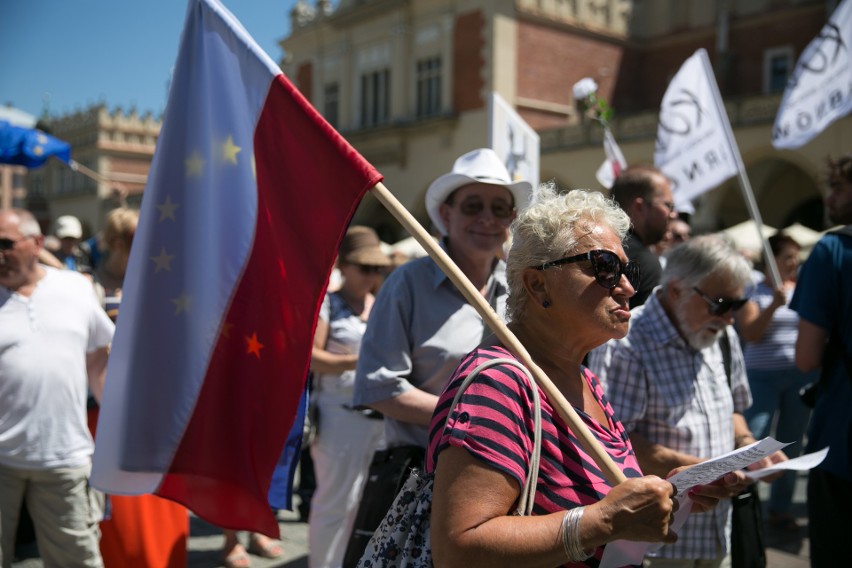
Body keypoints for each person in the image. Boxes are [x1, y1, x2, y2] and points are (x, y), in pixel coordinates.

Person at [427, 187, 737, 566]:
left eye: (626, 269)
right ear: (538, 284)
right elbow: (457, 549)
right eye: (604, 268)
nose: (626, 287)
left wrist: (670, 492)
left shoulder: (584, 379)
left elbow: (601, 497)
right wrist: (604, 520)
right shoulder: (498, 383)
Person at [347, 148, 531, 562]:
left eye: (499, 208)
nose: (487, 218)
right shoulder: (406, 284)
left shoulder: (520, 291)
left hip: (501, 480)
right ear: (446, 215)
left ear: (511, 221)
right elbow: (377, 386)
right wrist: (474, 421)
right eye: (473, 206)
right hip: (416, 476)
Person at [589, 234, 787, 567]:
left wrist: (750, 447)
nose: (729, 319)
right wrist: (709, 472)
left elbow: (734, 409)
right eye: (722, 305)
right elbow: (611, 442)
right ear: (678, 289)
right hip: (659, 544)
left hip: (716, 535)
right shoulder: (626, 343)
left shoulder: (720, 335)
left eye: (737, 306)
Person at [0, 208, 114, 568]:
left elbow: (99, 359)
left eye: (5, 244)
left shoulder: (75, 288)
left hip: (64, 457)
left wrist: (119, 423)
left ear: (35, 244)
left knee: (75, 559)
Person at [81, 207, 192, 568]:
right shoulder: (87, 287)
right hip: (104, 418)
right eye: (137, 242)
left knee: (162, 512)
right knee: (120, 522)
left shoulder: (164, 285)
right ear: (116, 243)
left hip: (157, 419)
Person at [308, 226, 391, 568]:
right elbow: (312, 358)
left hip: (378, 419)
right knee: (334, 504)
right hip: (339, 416)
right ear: (344, 266)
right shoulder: (328, 304)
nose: (371, 276)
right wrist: (361, 360)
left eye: (377, 269)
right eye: (365, 268)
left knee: (362, 505)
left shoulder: (380, 303)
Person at [790, 154, 852, 567]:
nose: (830, 197)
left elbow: (806, 357)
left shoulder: (833, 249)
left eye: (839, 188)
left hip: (843, 440)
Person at [735, 232, 815, 532]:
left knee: (790, 443)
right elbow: (751, 333)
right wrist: (773, 305)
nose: (793, 262)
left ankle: (780, 509)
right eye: (787, 257)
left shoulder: (803, 289)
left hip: (798, 376)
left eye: (796, 256)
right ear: (771, 260)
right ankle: (743, 499)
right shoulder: (752, 290)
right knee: (754, 439)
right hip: (762, 377)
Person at [609, 166, 678, 308]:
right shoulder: (644, 263)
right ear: (639, 207)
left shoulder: (597, 250)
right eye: (668, 205)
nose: (673, 214)